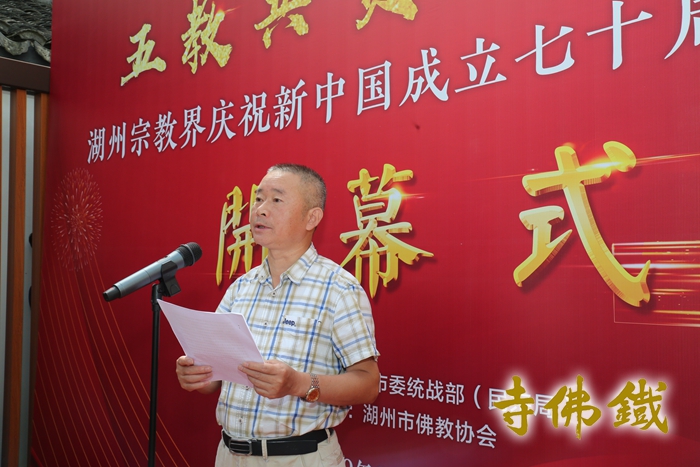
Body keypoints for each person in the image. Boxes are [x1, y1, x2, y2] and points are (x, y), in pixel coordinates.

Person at [176, 164, 380, 466]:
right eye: (258, 199)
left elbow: (368, 384)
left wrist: (298, 383)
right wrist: (197, 374)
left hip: (299, 457)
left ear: (312, 218)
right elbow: (214, 378)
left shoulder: (339, 288)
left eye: (276, 200)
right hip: (229, 455)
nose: (260, 209)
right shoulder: (241, 287)